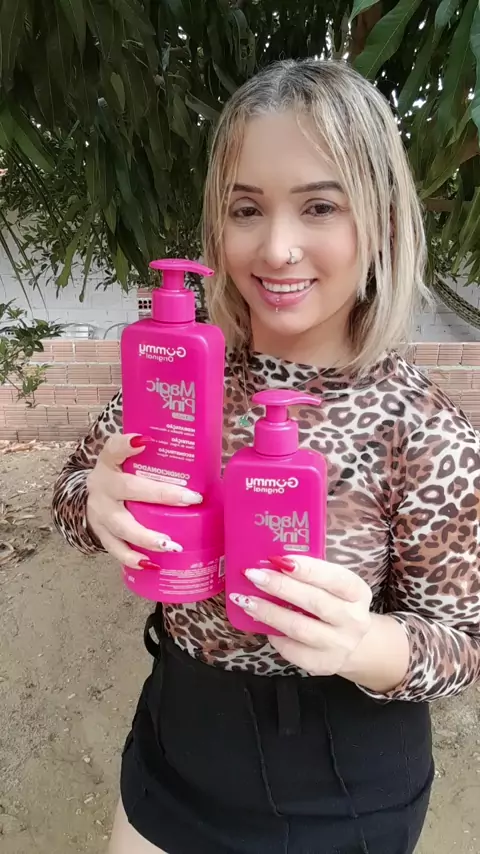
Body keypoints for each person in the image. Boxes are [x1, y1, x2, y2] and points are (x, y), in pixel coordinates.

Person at [52, 59, 480, 854]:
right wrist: (94, 504)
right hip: (178, 739)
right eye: (247, 209)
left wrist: (361, 644)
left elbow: (463, 646)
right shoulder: (181, 373)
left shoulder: (421, 429)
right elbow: (77, 489)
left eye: (319, 206)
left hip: (341, 782)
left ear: (383, 221)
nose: (278, 248)